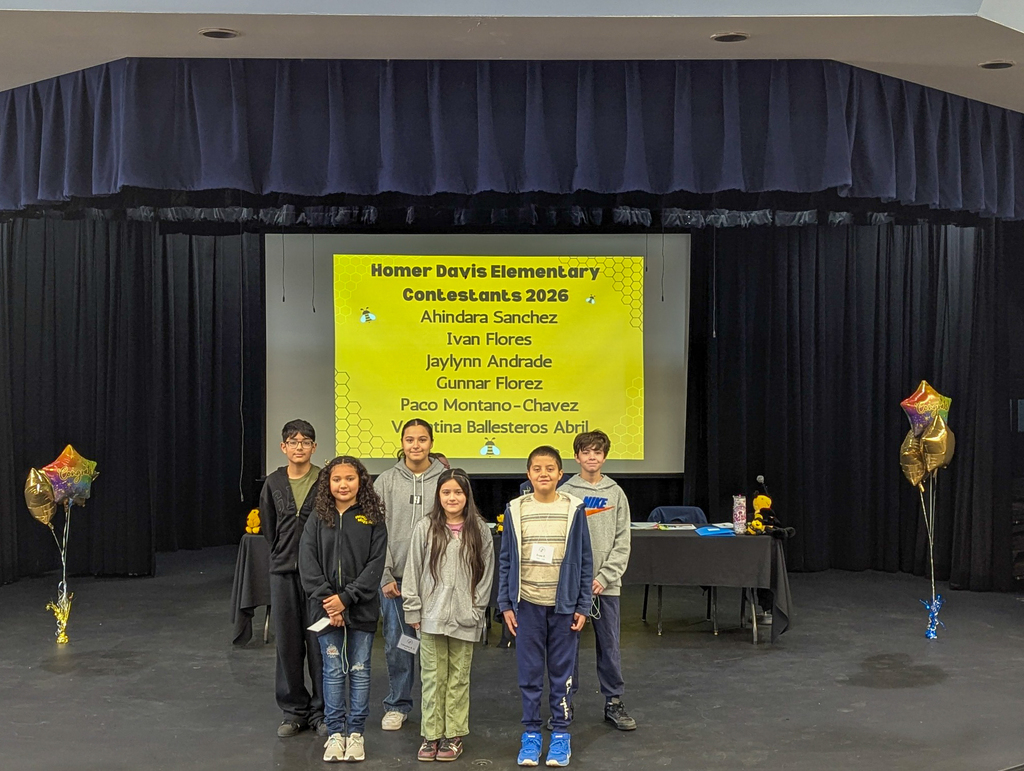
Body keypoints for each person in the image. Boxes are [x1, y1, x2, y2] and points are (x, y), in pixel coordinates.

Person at [498, 446, 593, 768]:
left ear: (560, 474)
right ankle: (531, 735)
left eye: (550, 468)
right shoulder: (515, 509)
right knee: (529, 674)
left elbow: (584, 560)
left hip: (564, 606)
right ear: (528, 474)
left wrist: (583, 603)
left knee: (562, 673)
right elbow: (506, 559)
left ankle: (561, 735)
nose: (543, 474)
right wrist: (505, 604)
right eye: (537, 468)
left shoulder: (574, 508)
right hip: (526, 606)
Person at [299, 456, 388, 763]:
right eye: (337, 479)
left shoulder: (373, 517)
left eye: (350, 478)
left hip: (361, 609)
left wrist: (347, 599)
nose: (343, 484)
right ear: (328, 483)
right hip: (324, 611)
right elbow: (307, 562)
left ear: (360, 481)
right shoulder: (317, 517)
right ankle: (336, 733)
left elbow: (375, 566)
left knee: (360, 671)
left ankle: (356, 735)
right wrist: (330, 601)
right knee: (333, 671)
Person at [403, 468, 495, 762]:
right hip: (430, 618)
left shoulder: (479, 529)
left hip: (465, 619)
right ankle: (431, 735)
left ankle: (453, 735)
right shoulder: (425, 527)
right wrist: (413, 608)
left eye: (458, 492)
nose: (452, 497)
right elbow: (412, 570)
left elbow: (486, 573)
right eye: (446, 492)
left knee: (458, 678)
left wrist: (476, 609)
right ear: (438, 495)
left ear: (467, 496)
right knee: (432, 678)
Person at [558, 430, 636, 731]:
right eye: (586, 452)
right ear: (577, 457)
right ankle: (563, 704)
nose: (592, 457)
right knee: (567, 647)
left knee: (610, 645)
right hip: (572, 588)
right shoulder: (566, 491)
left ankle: (614, 702)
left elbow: (622, 540)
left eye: (597, 452)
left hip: (606, 588)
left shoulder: (615, 493)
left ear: (604, 456)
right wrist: (573, 579)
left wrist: (604, 577)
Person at [374, 419, 448, 731]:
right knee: (399, 642)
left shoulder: (446, 479)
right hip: (397, 581)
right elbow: (376, 531)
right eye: (409, 439)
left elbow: (458, 525)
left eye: (422, 439)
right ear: (401, 443)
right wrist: (385, 574)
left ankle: (438, 707)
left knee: (436, 644)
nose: (415, 445)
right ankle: (398, 703)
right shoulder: (386, 481)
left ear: (431, 442)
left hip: (437, 580)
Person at [259, 419, 325, 738]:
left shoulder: (326, 481)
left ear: (314, 447)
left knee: (320, 644)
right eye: (293, 442)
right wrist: (284, 555)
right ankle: (293, 711)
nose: (300, 447)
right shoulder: (272, 482)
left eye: (306, 441)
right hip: (283, 573)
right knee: (287, 643)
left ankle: (322, 711)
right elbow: (269, 529)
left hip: (318, 576)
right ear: (283, 447)